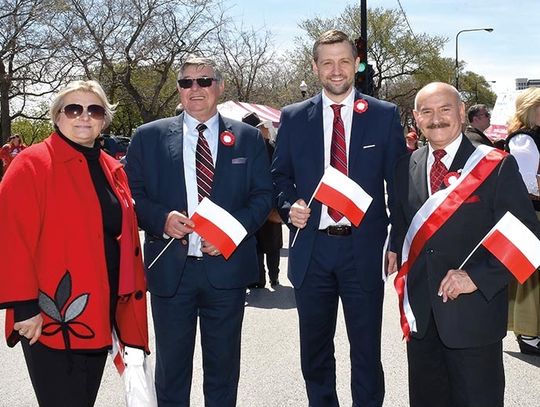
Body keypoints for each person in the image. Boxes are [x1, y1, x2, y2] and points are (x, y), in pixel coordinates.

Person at [125, 56, 272, 406]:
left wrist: (229, 235)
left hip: (226, 271)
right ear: (178, 89)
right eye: (187, 82)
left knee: (222, 370)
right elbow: (132, 196)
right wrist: (161, 219)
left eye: (204, 81)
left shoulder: (248, 138)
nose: (195, 89)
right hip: (171, 273)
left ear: (219, 87)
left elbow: (263, 196)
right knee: (172, 372)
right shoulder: (148, 137)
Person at [272, 29, 406, 406]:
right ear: (315, 68)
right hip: (312, 250)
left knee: (366, 353)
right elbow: (279, 176)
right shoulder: (294, 117)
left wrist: (395, 242)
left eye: (344, 61)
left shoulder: (383, 115)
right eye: (327, 62)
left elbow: (398, 186)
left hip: (363, 251)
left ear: (356, 65)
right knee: (314, 354)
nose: (336, 69)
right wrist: (289, 206)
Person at [0, 80, 149, 406]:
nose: (84, 116)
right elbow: (10, 239)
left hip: (102, 311)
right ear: (57, 115)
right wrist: (24, 308)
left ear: (104, 119)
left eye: (94, 109)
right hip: (50, 315)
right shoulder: (31, 164)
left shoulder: (112, 168)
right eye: (73, 109)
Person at [391, 82, 539, 407]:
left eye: (445, 109)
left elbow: (527, 239)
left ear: (461, 112)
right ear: (416, 118)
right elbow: (404, 226)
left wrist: (475, 277)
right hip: (422, 323)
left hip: (474, 321)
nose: (436, 119)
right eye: (427, 111)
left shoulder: (497, 165)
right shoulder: (406, 166)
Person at [504, 87, 540, 356]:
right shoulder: (523, 140)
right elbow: (527, 183)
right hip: (531, 213)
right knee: (529, 276)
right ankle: (528, 334)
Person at [242, 112, 283, 288]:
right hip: (270, 202)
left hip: (254, 202)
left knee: (258, 242)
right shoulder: (272, 147)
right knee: (270, 243)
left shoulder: (244, 148)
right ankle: (272, 276)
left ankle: (260, 278)